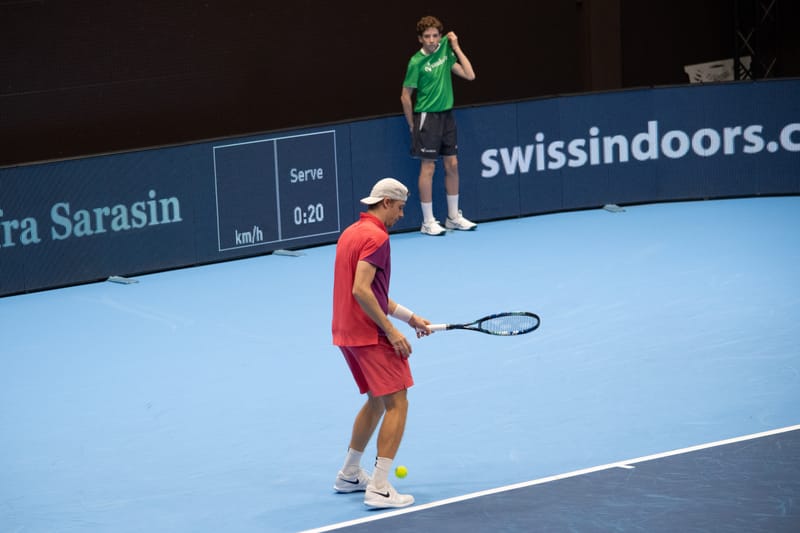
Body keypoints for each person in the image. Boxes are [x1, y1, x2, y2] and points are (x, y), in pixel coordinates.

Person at [331, 177, 432, 509]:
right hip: (369, 333)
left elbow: (373, 292)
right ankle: (378, 487)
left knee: (376, 400)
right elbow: (361, 290)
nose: (402, 215)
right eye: (401, 207)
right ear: (386, 202)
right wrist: (392, 331)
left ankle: (349, 474)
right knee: (397, 402)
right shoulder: (377, 237)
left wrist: (410, 317)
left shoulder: (351, 233)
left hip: (346, 333)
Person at [401, 15, 478, 236]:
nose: (432, 40)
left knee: (452, 165)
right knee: (429, 168)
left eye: (435, 36)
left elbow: (470, 75)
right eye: (427, 36)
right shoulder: (416, 62)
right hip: (427, 117)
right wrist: (412, 124)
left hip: (447, 116)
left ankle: (453, 217)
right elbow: (405, 96)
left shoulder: (446, 51)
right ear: (420, 39)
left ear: (440, 37)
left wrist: (456, 46)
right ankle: (427, 222)